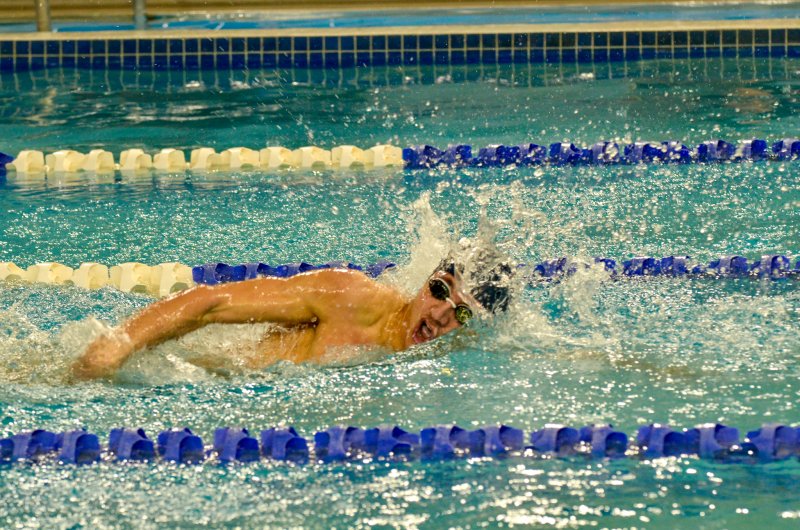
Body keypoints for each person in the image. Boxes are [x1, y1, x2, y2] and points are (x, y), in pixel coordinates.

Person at [71, 258, 512, 380]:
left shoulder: (451, 367)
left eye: (461, 313)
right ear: (423, 284)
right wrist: (122, 342)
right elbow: (210, 302)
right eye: (438, 290)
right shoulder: (348, 296)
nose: (438, 313)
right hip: (198, 377)